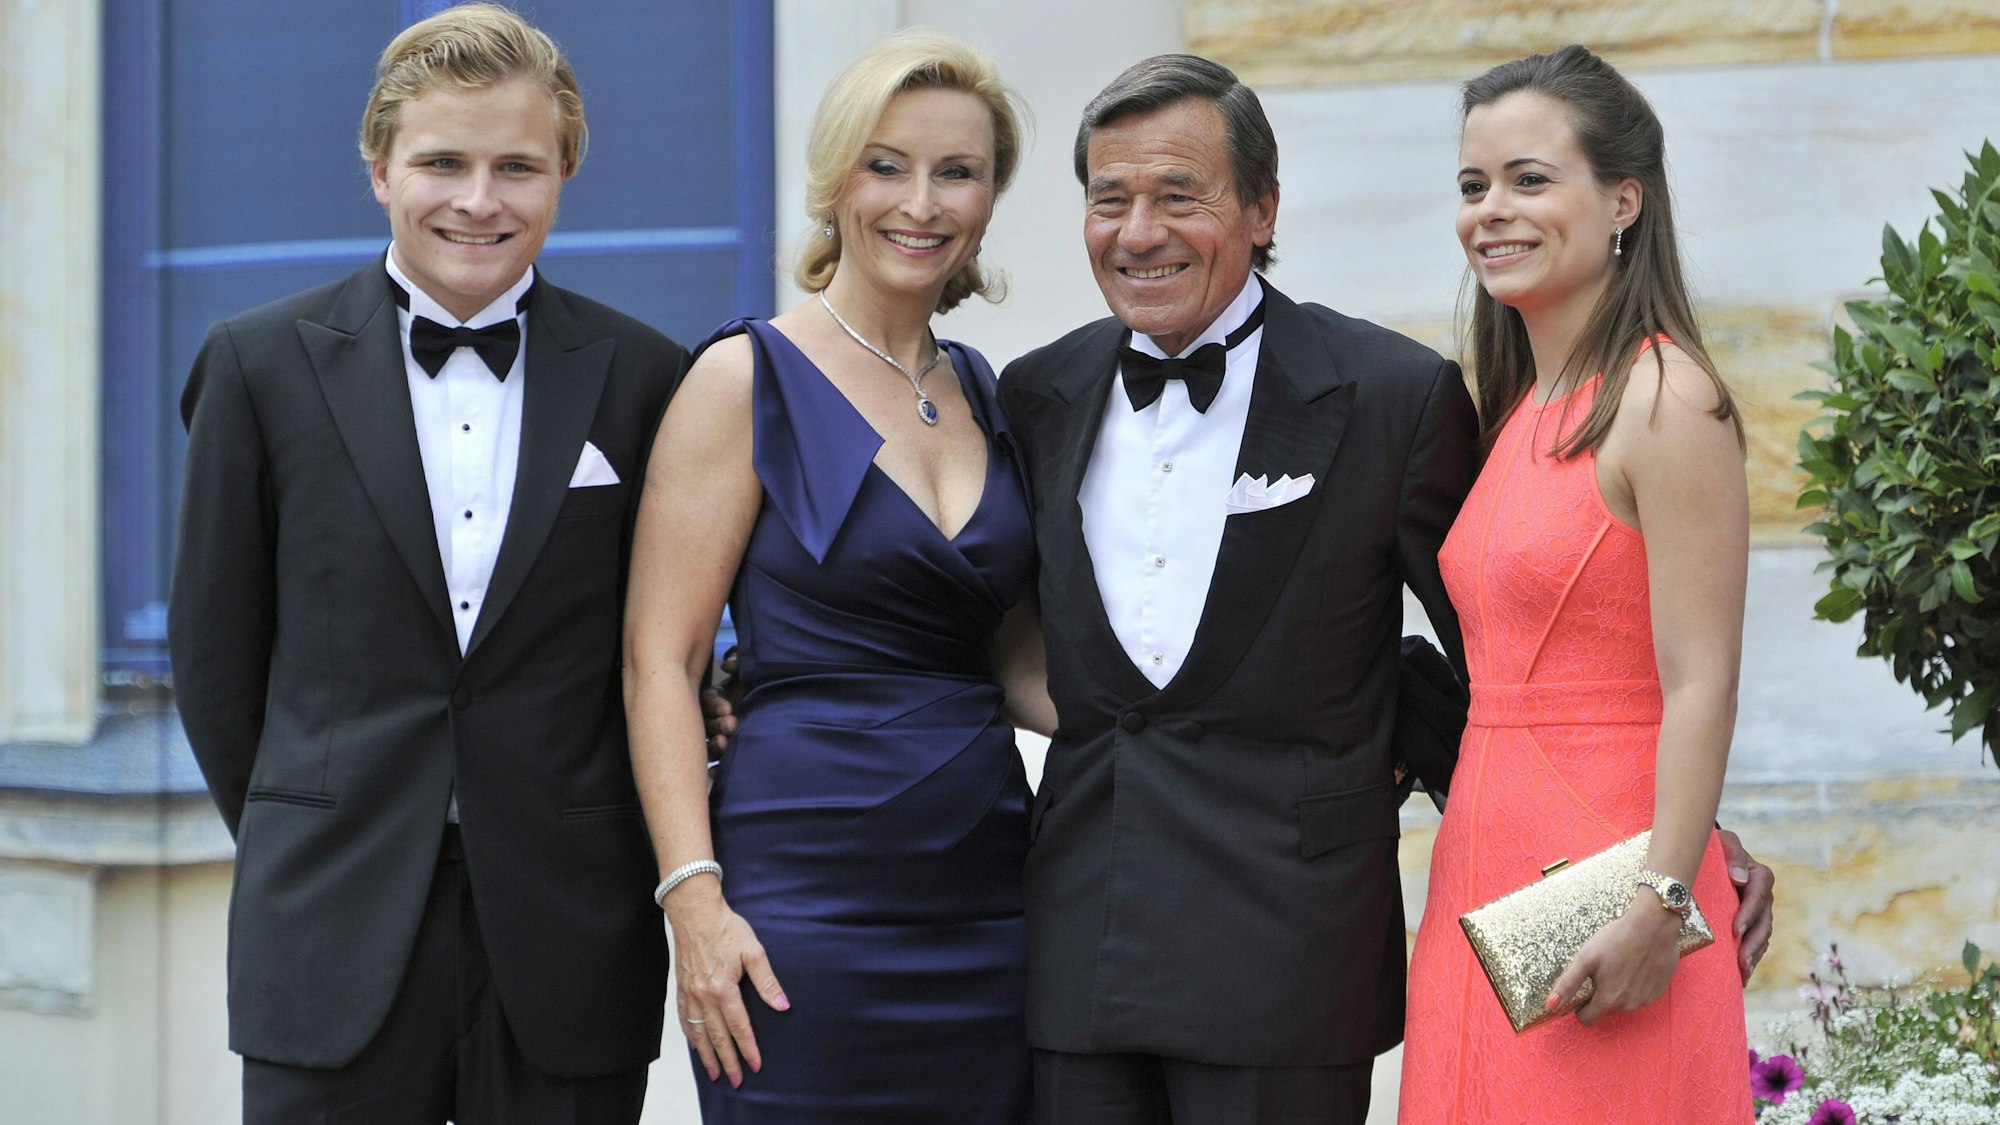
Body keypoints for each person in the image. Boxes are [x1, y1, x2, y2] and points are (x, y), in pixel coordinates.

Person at [994, 54, 1775, 1124]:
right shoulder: (1039, 393)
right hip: (1103, 928)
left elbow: (1618, 668)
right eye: (1108, 200)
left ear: (1263, 209)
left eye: (1179, 196)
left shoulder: (1410, 396)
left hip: (1321, 935)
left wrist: (1674, 864)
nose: (1138, 231)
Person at [167, 6, 686, 1121]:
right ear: (378, 171)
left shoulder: (647, 378)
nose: (478, 199)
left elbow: (667, 645)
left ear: (563, 176)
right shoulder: (255, 368)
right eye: (442, 162)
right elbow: (215, 660)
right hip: (330, 921)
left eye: (517, 166)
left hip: (567, 926)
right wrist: (310, 828)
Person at [622, 32, 1047, 1122]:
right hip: (798, 911)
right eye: (886, 164)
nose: (921, 202)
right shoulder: (741, 378)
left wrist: (1240, 716)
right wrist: (694, 902)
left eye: (957, 171)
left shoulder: (990, 395)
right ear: (832, 181)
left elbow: (1014, 661)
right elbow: (659, 661)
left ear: (990, 198)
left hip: (990, 903)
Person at [1399, 44, 1755, 1121]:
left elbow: (1700, 681)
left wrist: (1659, 897)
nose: (1490, 211)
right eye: (1472, 186)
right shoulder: (1517, 406)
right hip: (1484, 856)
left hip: (1611, 882)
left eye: (1527, 178)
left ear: (1620, 201)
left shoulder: (1662, 396)